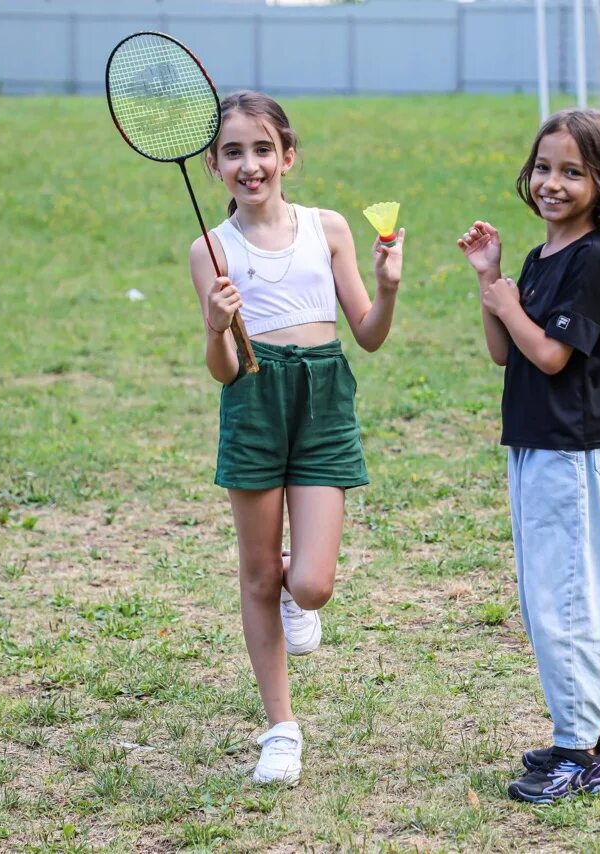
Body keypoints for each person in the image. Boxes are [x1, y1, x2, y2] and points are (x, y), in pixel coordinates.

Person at [189, 90, 404, 786]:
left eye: (261, 150)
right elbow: (222, 370)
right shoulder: (210, 251)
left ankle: (294, 596)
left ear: (287, 156)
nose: (249, 165)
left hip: (322, 394)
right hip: (253, 399)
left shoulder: (328, 227)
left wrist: (386, 286)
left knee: (309, 585)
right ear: (214, 166)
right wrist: (219, 325)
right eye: (232, 153)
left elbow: (366, 336)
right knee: (258, 574)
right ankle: (281, 728)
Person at [456, 108, 600, 804]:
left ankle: (575, 752)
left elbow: (550, 352)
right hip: (536, 443)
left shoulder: (592, 259)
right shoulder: (541, 259)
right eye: (543, 167)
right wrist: (492, 281)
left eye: (571, 171)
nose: (551, 182)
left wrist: (509, 303)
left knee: (559, 605)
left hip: (570, 449)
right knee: (564, 600)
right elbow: (504, 350)